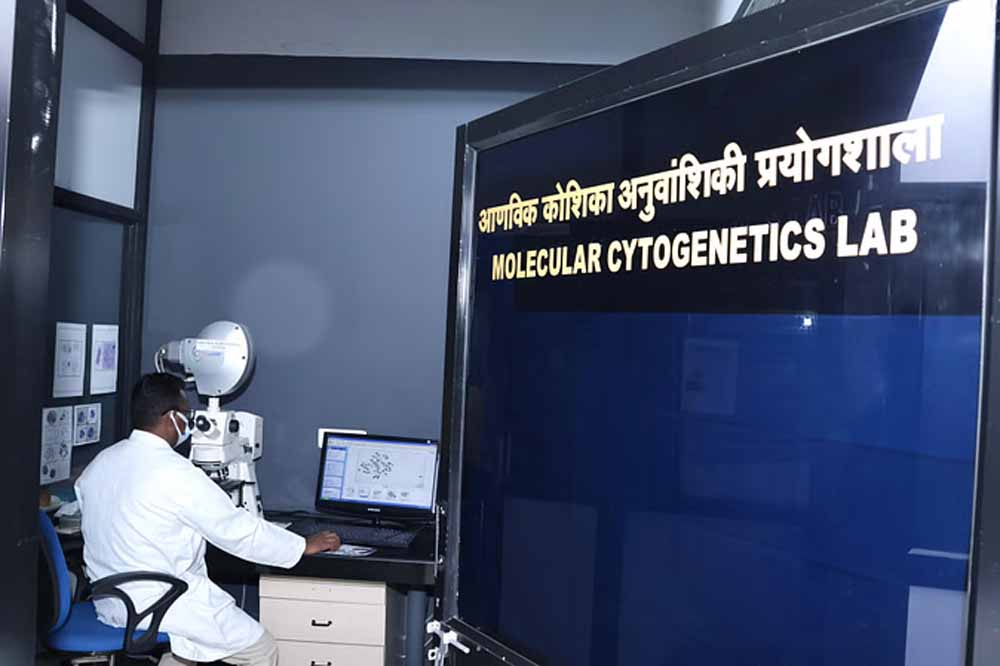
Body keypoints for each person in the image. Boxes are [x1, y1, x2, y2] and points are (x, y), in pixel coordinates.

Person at [75, 373, 342, 666]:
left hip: (112, 604)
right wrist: (300, 546)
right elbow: (238, 532)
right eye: (187, 415)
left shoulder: (99, 464)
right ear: (172, 418)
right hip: (162, 602)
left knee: (183, 651)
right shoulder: (176, 473)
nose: (189, 424)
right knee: (261, 649)